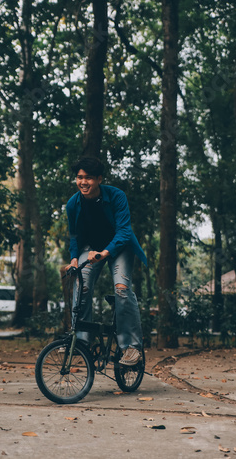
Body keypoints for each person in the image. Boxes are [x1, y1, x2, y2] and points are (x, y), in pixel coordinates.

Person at [65, 156, 147, 366]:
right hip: (90, 248)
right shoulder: (73, 204)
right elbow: (74, 236)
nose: (83, 182)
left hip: (119, 247)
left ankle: (131, 347)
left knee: (121, 288)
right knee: (79, 284)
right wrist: (74, 259)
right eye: (79, 177)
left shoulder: (116, 196)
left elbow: (124, 232)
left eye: (89, 178)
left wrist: (104, 252)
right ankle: (81, 341)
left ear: (99, 179)